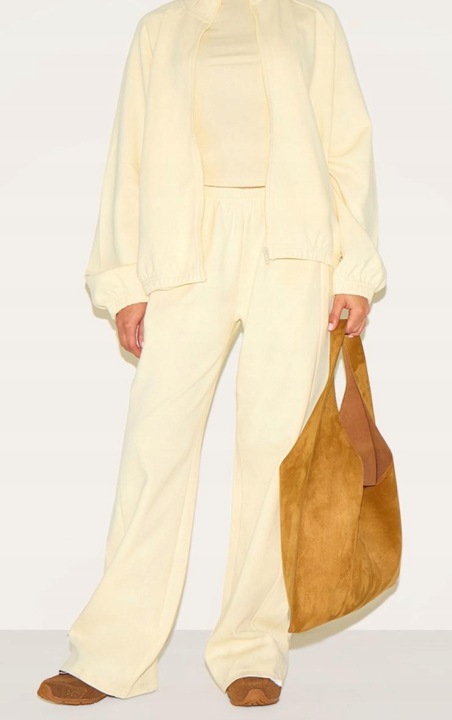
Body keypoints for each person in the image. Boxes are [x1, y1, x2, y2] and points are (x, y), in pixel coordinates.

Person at [37, 0, 387, 707]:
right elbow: (129, 157)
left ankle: (251, 650)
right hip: (184, 245)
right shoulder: (161, 27)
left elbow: (347, 146)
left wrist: (353, 268)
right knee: (155, 446)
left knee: (275, 448)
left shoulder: (310, 21)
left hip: (295, 245)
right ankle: (111, 654)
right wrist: (124, 281)